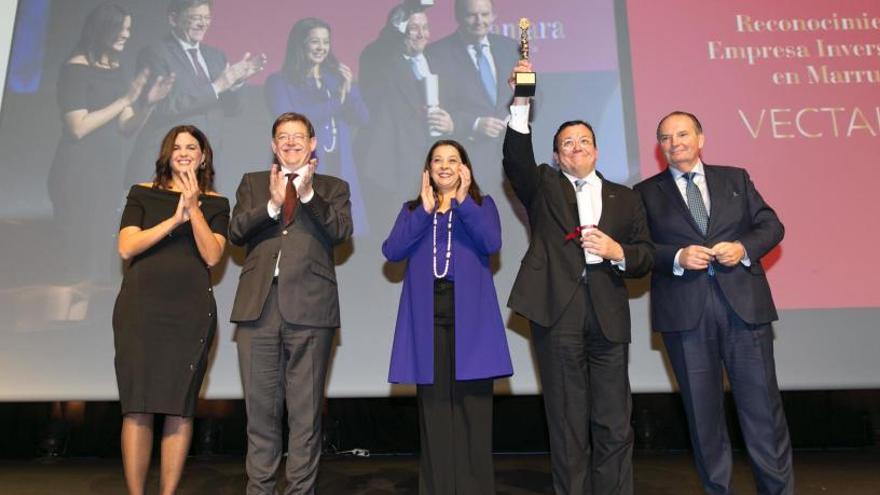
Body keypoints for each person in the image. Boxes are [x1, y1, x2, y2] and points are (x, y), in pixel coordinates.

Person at [502, 61, 653, 495]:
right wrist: (521, 101)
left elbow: (645, 256)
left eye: (584, 141)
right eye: (566, 143)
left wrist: (618, 251)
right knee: (567, 423)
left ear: (597, 150)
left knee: (614, 422)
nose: (576, 148)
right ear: (556, 155)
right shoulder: (544, 186)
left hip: (608, 313)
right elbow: (515, 158)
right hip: (558, 312)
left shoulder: (625, 198)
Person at [634, 111, 793, 495]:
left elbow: (771, 225)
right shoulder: (644, 194)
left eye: (683, 134)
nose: (675, 143)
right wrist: (675, 257)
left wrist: (743, 248)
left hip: (745, 310)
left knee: (763, 415)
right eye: (666, 138)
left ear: (701, 138)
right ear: (660, 147)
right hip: (686, 316)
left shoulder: (735, 178)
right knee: (704, 418)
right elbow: (637, 252)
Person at [229, 112, 353, 494]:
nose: (291, 142)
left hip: (312, 310)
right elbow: (235, 231)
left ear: (313, 143)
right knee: (260, 416)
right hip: (258, 309)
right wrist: (270, 205)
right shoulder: (253, 183)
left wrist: (308, 195)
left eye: (299, 136)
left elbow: (340, 231)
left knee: (304, 416)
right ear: (273, 144)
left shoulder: (333, 187)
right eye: (283, 136)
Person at [383, 140, 512, 494]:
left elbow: (491, 243)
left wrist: (463, 201)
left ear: (464, 168)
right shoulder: (413, 208)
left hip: (470, 315)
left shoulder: (481, 205)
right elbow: (392, 251)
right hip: (428, 315)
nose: (444, 166)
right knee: (435, 412)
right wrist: (425, 212)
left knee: (474, 411)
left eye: (452, 160)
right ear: (427, 169)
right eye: (437, 160)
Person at [114, 125, 229, 495]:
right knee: (138, 407)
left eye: (191, 147)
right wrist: (173, 220)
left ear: (203, 156)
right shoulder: (142, 193)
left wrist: (193, 210)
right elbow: (127, 247)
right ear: (167, 154)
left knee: (180, 408)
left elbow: (212, 254)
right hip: (141, 310)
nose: (183, 152)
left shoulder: (217, 203)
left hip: (190, 312)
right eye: (176, 147)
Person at [48, 2, 173, 287]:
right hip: (77, 174)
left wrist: (147, 104)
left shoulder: (115, 68)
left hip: (106, 173)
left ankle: (85, 325)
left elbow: (126, 126)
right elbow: (77, 127)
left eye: (129, 28)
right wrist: (126, 100)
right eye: (122, 28)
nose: (126, 34)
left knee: (98, 256)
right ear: (103, 29)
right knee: (73, 255)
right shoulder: (75, 69)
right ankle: (60, 324)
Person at [125, 0, 266, 184]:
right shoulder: (155, 53)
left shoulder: (215, 56)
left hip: (204, 166)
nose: (203, 23)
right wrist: (217, 86)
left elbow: (233, 109)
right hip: (167, 164)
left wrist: (236, 83)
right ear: (174, 19)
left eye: (206, 18)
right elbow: (162, 106)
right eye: (195, 18)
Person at [265, 17, 369, 236]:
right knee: (305, 232)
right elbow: (292, 124)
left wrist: (349, 89)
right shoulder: (280, 82)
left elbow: (362, 117)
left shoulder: (335, 80)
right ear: (300, 44)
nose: (321, 47)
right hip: (304, 168)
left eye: (326, 42)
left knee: (339, 231)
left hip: (339, 165)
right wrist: (336, 102)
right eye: (315, 41)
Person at [358, 4, 455, 213]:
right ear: (400, 31)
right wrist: (399, 20)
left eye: (425, 27)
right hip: (395, 166)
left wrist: (450, 122)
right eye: (413, 28)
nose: (422, 34)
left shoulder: (437, 61)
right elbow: (383, 45)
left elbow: (456, 103)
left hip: (435, 163)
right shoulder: (381, 62)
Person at [425, 0, 518, 173]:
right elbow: (434, 109)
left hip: (512, 157)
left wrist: (514, 116)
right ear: (458, 16)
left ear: (494, 15)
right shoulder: (436, 54)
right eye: (471, 15)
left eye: (484, 14)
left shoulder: (511, 48)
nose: (479, 21)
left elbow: (535, 94)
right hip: (465, 158)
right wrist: (474, 124)